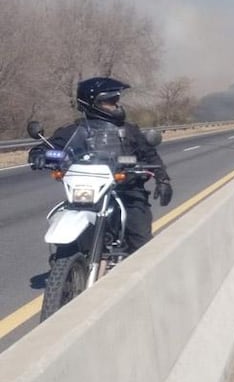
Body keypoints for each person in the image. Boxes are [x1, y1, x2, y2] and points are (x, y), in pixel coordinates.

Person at [28, 77, 173, 253]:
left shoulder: (129, 131)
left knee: (142, 244)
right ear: (92, 103)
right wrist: (38, 155)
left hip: (126, 191)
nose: (116, 105)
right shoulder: (74, 131)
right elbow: (47, 147)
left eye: (116, 100)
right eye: (109, 101)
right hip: (89, 193)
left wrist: (163, 180)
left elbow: (150, 155)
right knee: (65, 220)